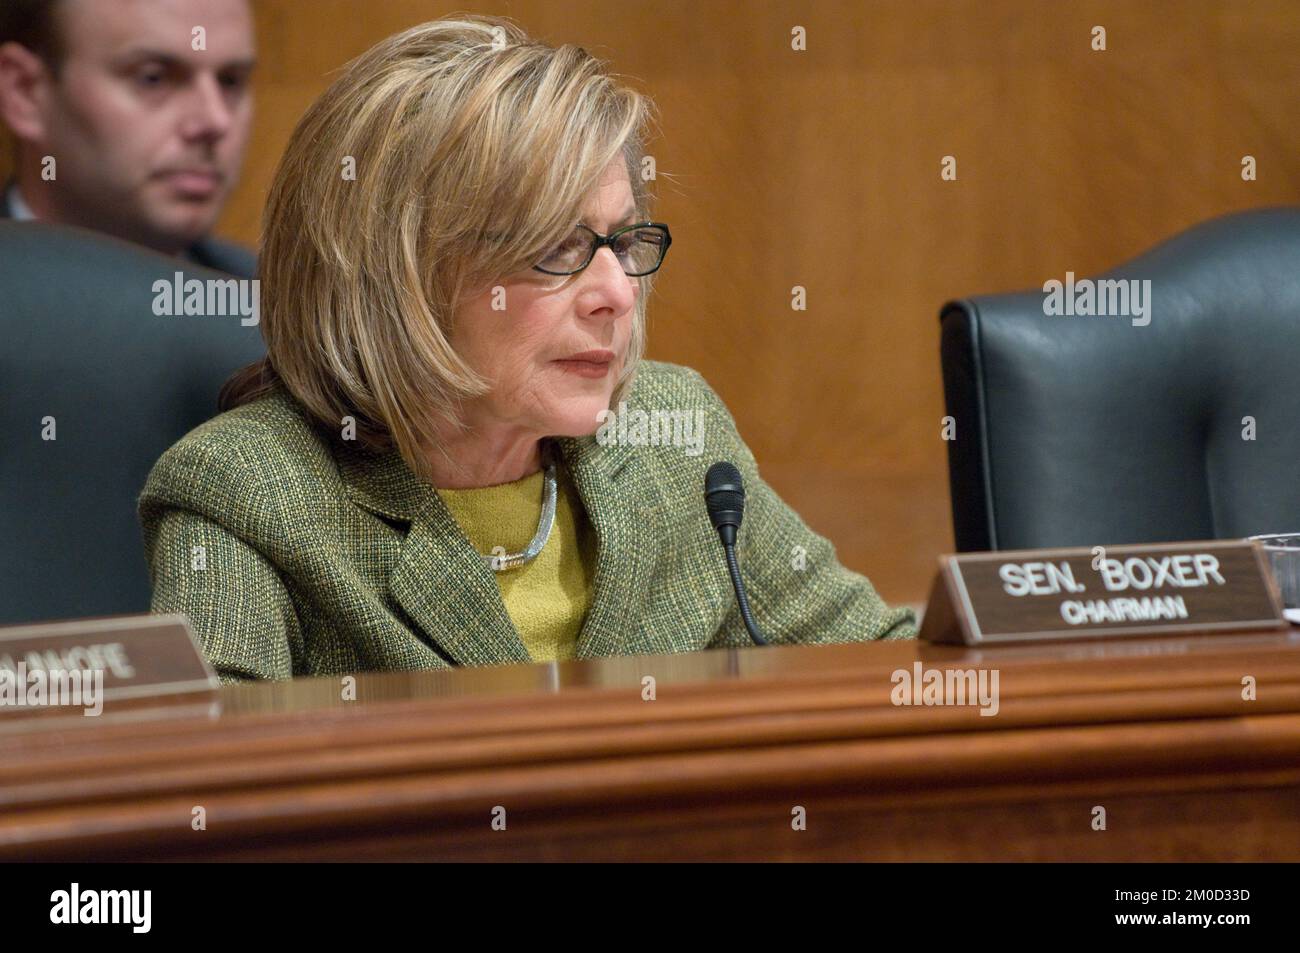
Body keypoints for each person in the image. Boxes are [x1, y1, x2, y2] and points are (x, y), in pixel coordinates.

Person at [138, 15, 916, 683]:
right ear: (395, 273)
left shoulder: (675, 441)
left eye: (621, 241)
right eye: (555, 247)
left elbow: (881, 660)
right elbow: (203, 794)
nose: (617, 292)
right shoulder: (252, 494)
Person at [0, 0, 256, 275]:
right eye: (153, 78)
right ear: (25, 93)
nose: (216, 121)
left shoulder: (268, 302)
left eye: (230, 81)